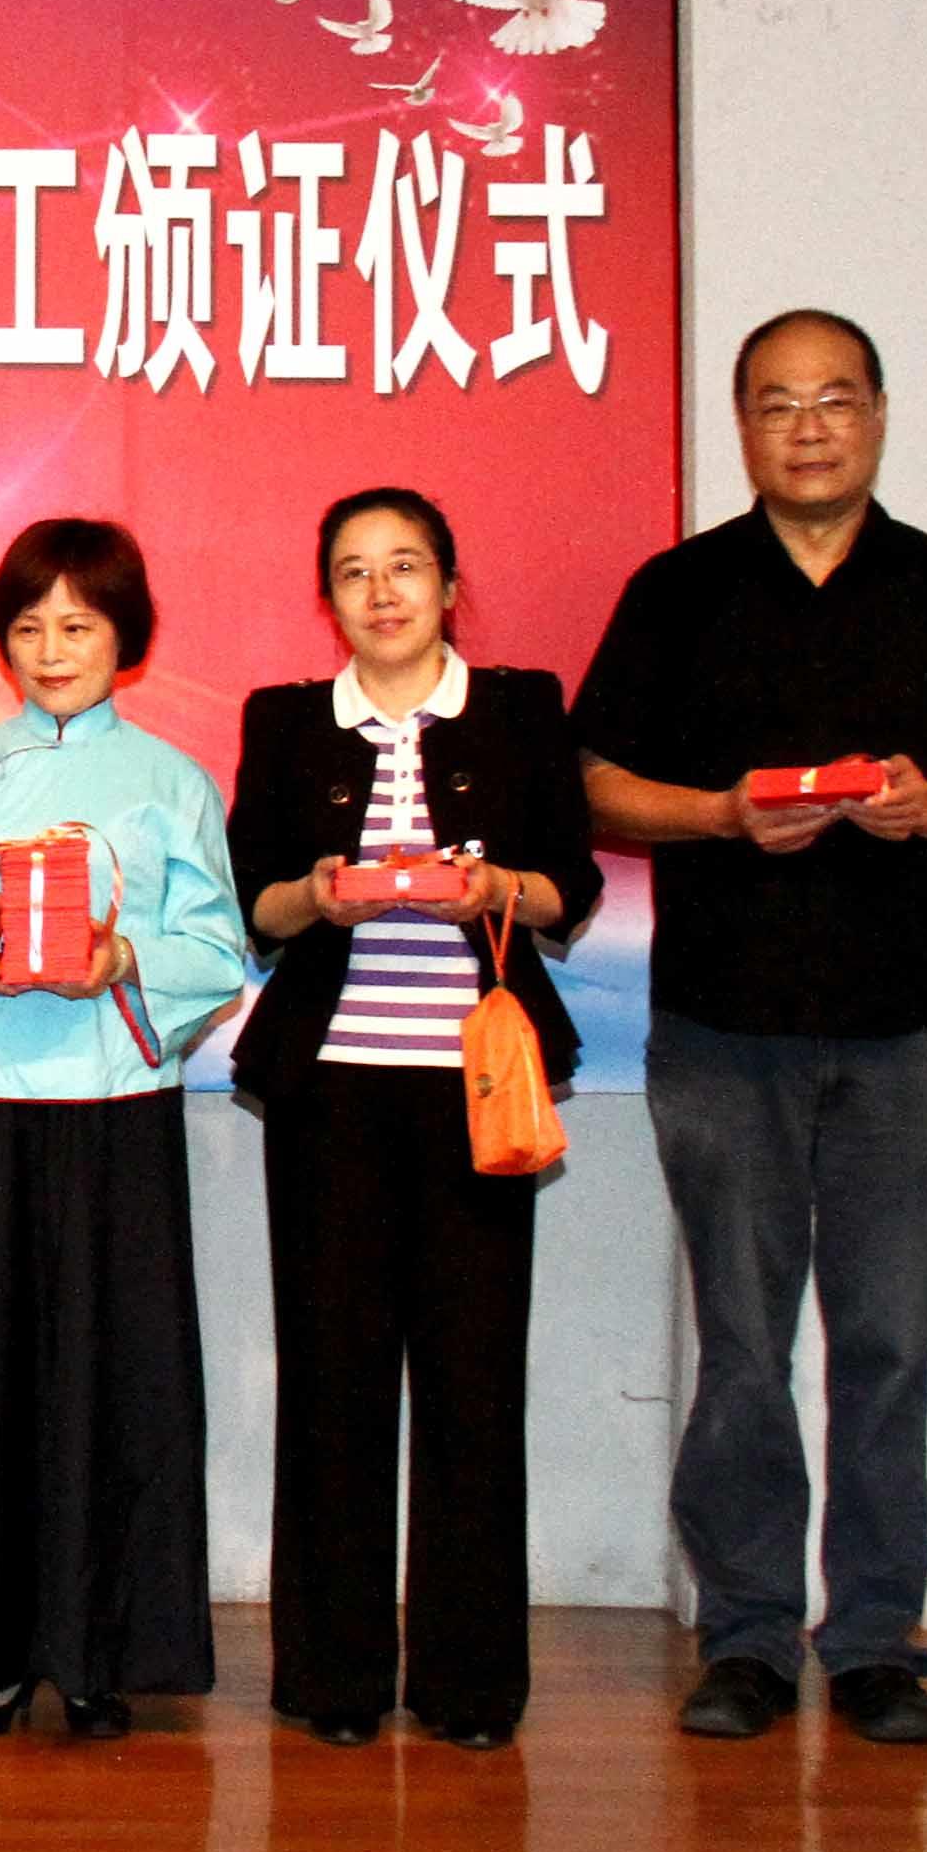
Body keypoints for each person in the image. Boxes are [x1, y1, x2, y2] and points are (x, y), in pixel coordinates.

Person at [573, 308, 927, 1747]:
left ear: (878, 415)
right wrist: (722, 814)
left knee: (886, 1343)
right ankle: (748, 1636)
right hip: (723, 1028)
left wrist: (923, 806)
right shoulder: (679, 591)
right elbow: (595, 786)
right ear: (744, 428)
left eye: (835, 399)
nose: (809, 428)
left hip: (905, 1035)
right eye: (778, 404)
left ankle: (876, 1640)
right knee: (739, 1344)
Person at [0, 518, 247, 1739]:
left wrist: (122, 958)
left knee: (114, 1387)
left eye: (79, 625)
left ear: (127, 639)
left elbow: (217, 947)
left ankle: (101, 1654)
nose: (54, 649)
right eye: (29, 627)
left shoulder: (174, 783)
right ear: (0, 641)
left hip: (117, 1115)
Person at [227, 488, 602, 1751]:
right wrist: (319, 895)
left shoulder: (519, 709)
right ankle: (332, 1677)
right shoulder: (287, 722)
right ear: (326, 598)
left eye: (405, 567)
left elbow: (571, 890)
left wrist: (493, 886)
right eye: (353, 572)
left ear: (449, 583)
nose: (381, 593)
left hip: (477, 1091)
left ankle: (470, 1683)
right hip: (330, 1090)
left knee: (473, 1384)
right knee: (331, 1385)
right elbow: (254, 902)